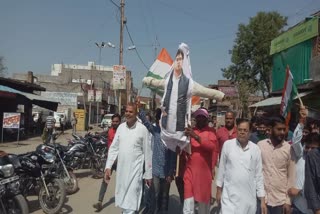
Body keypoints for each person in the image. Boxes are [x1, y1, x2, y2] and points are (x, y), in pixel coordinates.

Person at [104, 103, 152, 214]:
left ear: (136, 113)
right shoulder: (121, 128)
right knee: (124, 200)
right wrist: (108, 166)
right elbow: (114, 148)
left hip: (135, 172)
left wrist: (148, 174)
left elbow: (147, 152)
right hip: (122, 172)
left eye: (131, 112)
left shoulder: (142, 130)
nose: (128, 114)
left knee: (132, 200)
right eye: (126, 111)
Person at [216, 118, 266, 214]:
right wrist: (218, 190)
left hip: (248, 201)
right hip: (229, 199)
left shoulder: (255, 149)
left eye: (245, 130)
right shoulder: (228, 145)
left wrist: (262, 199)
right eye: (240, 130)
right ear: (237, 130)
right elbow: (222, 169)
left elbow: (258, 176)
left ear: (250, 132)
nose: (242, 132)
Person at [138, 107, 176, 214]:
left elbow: (173, 156)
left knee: (164, 197)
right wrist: (139, 107)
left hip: (166, 173)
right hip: (155, 171)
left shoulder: (171, 136)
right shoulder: (156, 131)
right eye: (160, 118)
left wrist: (170, 173)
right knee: (154, 194)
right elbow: (145, 122)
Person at [257, 115, 296, 214]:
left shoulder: (289, 149)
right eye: (279, 129)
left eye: (284, 129)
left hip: (281, 202)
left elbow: (291, 177)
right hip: (262, 200)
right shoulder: (260, 146)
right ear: (270, 129)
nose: (282, 132)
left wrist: (288, 201)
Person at [183, 108, 219, 214]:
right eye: (198, 117)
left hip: (204, 174)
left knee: (203, 204)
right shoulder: (190, 130)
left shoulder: (211, 132)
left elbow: (211, 147)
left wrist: (195, 136)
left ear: (207, 119)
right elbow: (184, 149)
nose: (200, 119)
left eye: (203, 117)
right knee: (188, 202)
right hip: (190, 172)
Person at [93, 113, 121, 211]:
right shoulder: (109, 131)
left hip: (121, 160)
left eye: (116, 121)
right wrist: (95, 135)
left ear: (120, 122)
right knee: (105, 179)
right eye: (113, 121)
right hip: (111, 160)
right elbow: (103, 134)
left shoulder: (123, 131)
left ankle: (126, 202)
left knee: (123, 181)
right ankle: (100, 202)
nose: (114, 123)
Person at [304, 134, 320, 214]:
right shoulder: (312, 156)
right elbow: (311, 185)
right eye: (308, 148)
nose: (310, 150)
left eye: (313, 148)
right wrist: (317, 209)